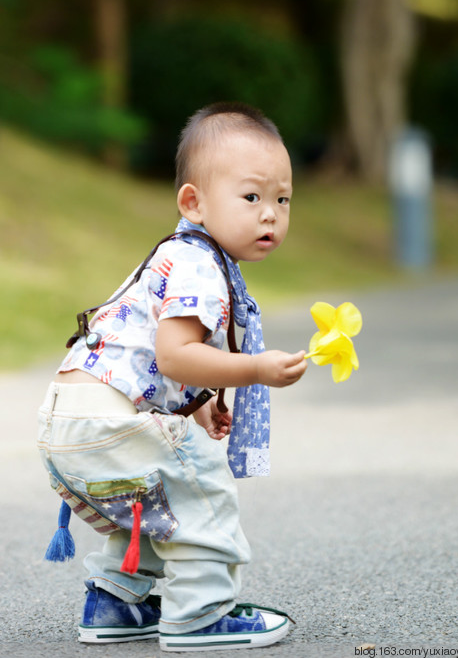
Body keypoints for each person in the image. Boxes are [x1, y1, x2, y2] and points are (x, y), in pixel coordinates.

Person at [38, 102, 307, 652]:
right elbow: (176, 356)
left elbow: (153, 357)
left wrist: (200, 404)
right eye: (252, 196)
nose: (270, 215)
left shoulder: (178, 255)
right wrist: (255, 369)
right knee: (200, 492)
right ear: (194, 201)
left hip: (70, 423)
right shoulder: (200, 264)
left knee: (147, 500)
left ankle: (116, 603)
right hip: (108, 421)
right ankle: (200, 616)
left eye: (283, 199)